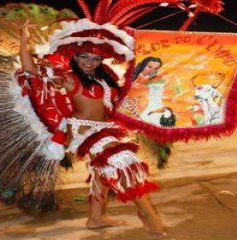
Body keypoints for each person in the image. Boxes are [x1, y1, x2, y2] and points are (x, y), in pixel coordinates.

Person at [19, 20, 166, 236]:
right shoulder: (67, 79)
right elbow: (30, 70)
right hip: (84, 131)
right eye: (84, 56)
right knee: (122, 161)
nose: (90, 62)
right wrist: (23, 40)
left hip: (106, 128)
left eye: (96, 58)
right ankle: (146, 212)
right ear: (75, 56)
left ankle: (96, 218)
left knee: (102, 171)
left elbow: (121, 102)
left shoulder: (106, 78)